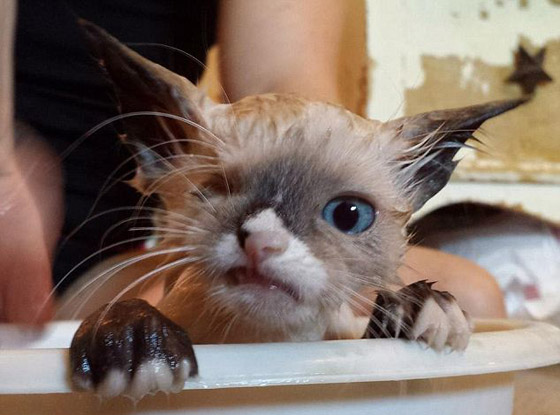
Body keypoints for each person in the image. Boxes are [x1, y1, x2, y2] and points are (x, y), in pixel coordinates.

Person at [0, 0, 506, 325]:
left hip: (104, 257)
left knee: (466, 301)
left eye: (350, 212)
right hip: (46, 247)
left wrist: (338, 292)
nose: (265, 241)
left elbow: (282, 84)